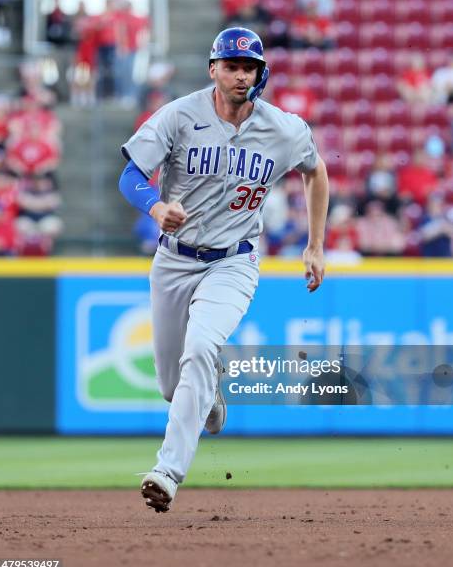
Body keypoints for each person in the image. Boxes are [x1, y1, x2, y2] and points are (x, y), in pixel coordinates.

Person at [118, 27, 329, 512]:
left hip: (234, 260)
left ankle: (166, 472)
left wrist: (316, 245)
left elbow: (315, 172)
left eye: (248, 67)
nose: (239, 75)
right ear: (213, 69)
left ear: (260, 74)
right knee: (173, 386)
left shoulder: (284, 128)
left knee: (200, 346)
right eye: (231, 66)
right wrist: (154, 207)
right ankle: (209, 391)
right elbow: (130, 174)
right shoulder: (179, 115)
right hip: (174, 259)